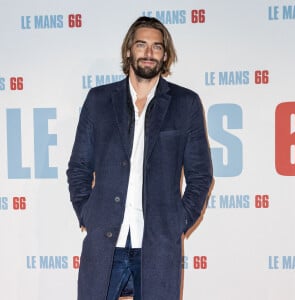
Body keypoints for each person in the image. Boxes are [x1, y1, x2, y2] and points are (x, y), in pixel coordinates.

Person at [67, 16, 213, 300]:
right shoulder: (98, 100)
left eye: (157, 47)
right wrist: (88, 214)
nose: (149, 53)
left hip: (158, 246)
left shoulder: (186, 104)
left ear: (165, 55)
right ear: (128, 51)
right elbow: (79, 167)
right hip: (105, 245)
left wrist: (177, 223)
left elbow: (200, 175)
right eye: (141, 45)